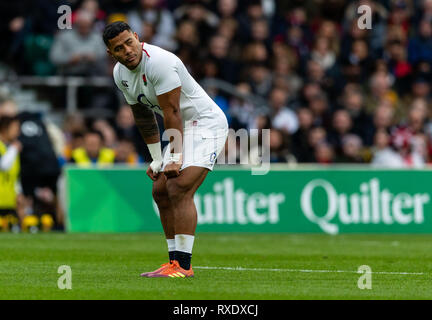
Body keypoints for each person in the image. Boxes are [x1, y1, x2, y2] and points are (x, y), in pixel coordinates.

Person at [103, 21, 228, 278]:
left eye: (129, 42)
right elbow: (143, 116)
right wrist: (158, 159)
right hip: (181, 128)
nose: (127, 50)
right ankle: (173, 262)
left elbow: (171, 113)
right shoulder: (120, 74)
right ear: (111, 53)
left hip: (205, 124)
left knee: (178, 186)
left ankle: (183, 266)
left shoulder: (159, 61)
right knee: (160, 190)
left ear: (137, 37)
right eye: (119, 48)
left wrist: (176, 157)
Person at [0, 116, 21, 232]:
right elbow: (3, 165)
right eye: (15, 128)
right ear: (4, 128)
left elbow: (15, 175)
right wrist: (14, 149)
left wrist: (19, 192)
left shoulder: (12, 149)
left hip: (9, 202)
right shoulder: (12, 149)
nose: (18, 132)